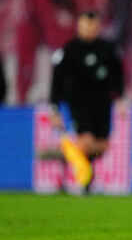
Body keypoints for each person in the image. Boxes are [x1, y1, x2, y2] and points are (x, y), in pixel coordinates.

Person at [49, 11, 123, 192]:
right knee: (87, 141)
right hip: (78, 103)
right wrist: (54, 108)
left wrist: (120, 97)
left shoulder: (107, 49)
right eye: (86, 25)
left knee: (102, 147)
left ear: (98, 27)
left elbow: (118, 75)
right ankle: (83, 178)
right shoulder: (69, 49)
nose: (90, 29)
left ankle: (69, 156)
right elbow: (56, 80)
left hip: (103, 104)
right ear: (79, 26)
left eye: (93, 26)